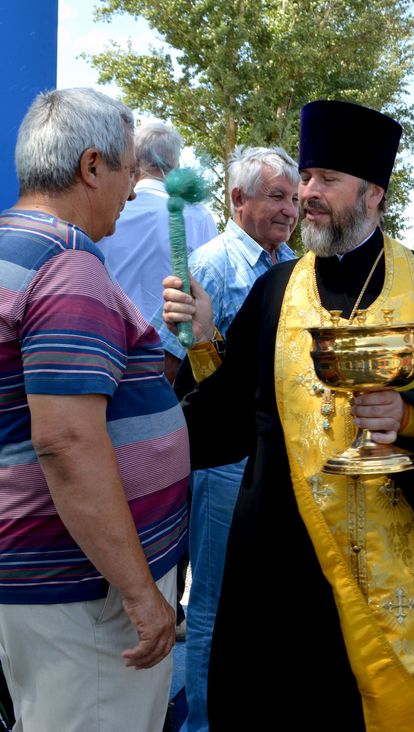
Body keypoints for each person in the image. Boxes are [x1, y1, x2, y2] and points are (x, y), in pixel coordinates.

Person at [163, 99, 414, 730]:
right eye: (306, 177)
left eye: (326, 179)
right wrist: (201, 341)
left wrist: (412, 415)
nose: (308, 192)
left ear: (373, 193)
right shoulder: (276, 291)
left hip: (401, 548)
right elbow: (229, 416)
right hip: (284, 559)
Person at [0, 88, 188, 731]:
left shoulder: (13, 246)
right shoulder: (67, 264)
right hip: (85, 591)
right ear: (91, 167)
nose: (132, 191)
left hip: (45, 575)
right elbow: (67, 442)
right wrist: (139, 592)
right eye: (129, 172)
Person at [160, 145, 299, 732]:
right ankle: (202, 723)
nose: (290, 209)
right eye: (277, 197)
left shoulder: (293, 266)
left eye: (295, 199)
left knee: (267, 598)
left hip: (278, 459)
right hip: (223, 464)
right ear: (238, 198)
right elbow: (172, 371)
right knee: (213, 603)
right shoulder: (210, 266)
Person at [102, 121, 217, 331]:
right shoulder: (197, 216)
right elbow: (212, 286)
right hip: (174, 343)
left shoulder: (109, 209)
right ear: (176, 165)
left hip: (110, 338)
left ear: (134, 163)